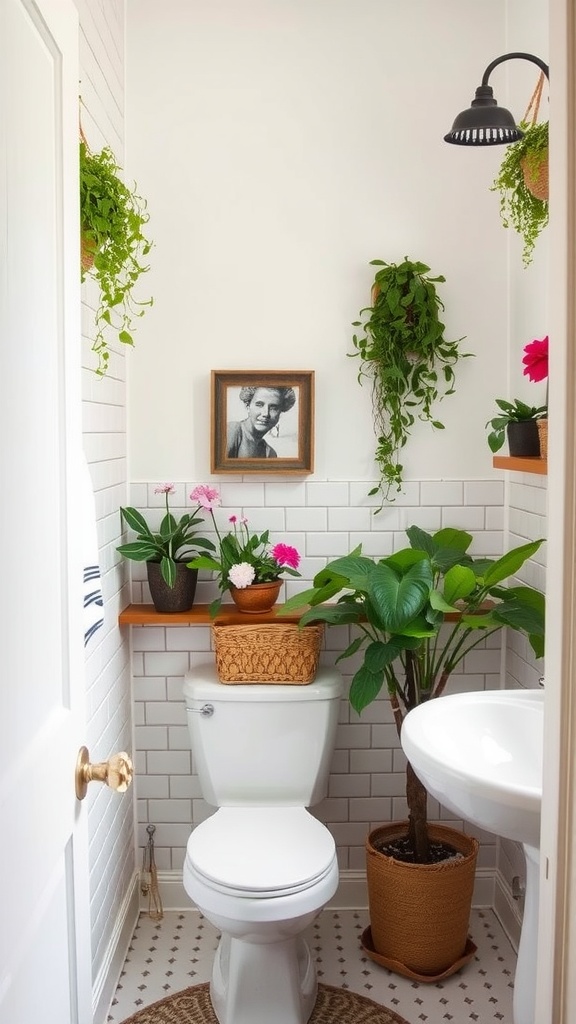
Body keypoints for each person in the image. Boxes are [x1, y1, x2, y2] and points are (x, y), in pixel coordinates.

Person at [226, 385, 296, 458]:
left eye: (273, 408)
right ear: (248, 406)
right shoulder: (231, 430)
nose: (266, 414)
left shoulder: (270, 453)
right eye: (259, 405)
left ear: (281, 412)